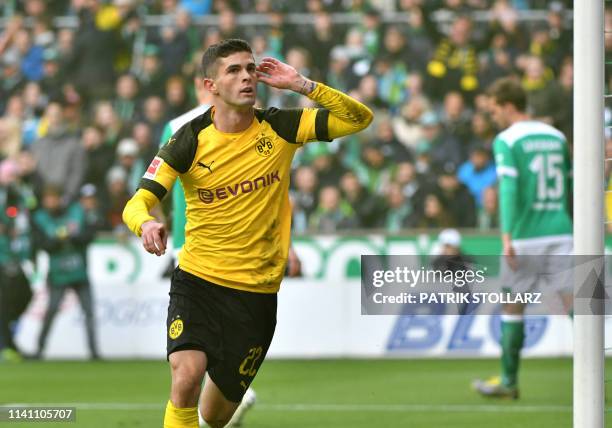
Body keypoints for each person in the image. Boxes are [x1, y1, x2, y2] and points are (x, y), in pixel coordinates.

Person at [122, 39, 373, 428]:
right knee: (185, 377)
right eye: (233, 71)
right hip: (198, 280)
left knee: (214, 417)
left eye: (250, 69)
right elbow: (136, 202)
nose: (246, 77)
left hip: (256, 293)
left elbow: (360, 119)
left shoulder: (282, 126)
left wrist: (303, 85)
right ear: (211, 86)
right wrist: (147, 222)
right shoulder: (187, 140)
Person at [472, 77, 572, 399]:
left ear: (508, 106)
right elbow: (569, 184)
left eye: (494, 111)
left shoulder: (507, 140)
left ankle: (508, 381)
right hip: (563, 230)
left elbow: (510, 189)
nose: (493, 118)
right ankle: (597, 380)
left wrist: (506, 235)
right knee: (579, 308)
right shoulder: (556, 136)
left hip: (526, 236)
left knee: (512, 308)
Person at [32, 184, 99, 360]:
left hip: (79, 272)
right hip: (58, 274)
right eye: (48, 199)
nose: (50, 202)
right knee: (51, 311)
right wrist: (58, 240)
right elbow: (42, 245)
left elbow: (89, 235)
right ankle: (39, 350)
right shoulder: (40, 218)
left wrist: (72, 237)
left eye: (53, 198)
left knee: (89, 311)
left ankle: (94, 352)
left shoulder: (77, 212)